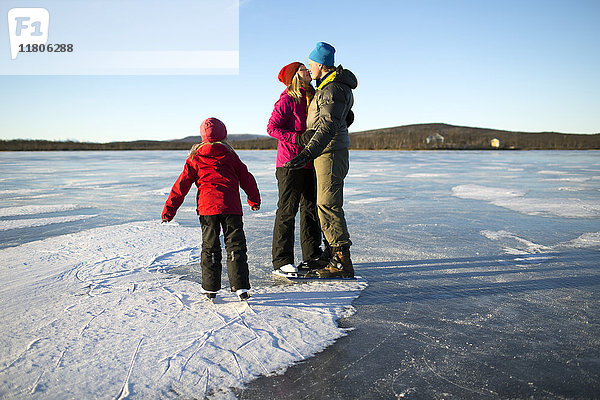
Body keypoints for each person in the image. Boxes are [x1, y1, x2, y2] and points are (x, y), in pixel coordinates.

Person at [161, 117, 261, 300]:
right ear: (224, 135)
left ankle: (210, 287)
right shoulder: (230, 155)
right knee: (236, 247)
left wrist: (169, 210)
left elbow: (181, 185)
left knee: (210, 248)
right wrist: (253, 200)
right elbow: (247, 178)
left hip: (208, 210)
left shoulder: (195, 157)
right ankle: (240, 287)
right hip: (231, 208)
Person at [283, 42, 358, 278]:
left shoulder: (332, 89)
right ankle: (331, 252)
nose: (310, 69)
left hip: (330, 152)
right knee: (323, 204)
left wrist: (307, 152)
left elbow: (326, 127)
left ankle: (341, 260)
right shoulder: (327, 87)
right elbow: (332, 118)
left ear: (321, 65)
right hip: (327, 152)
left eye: (312, 64)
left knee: (328, 204)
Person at [267, 62, 323, 275]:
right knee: (287, 211)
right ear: (294, 77)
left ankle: (312, 256)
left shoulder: (313, 97)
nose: (308, 71)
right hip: (289, 164)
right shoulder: (288, 100)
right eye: (303, 69)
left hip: (309, 162)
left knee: (310, 210)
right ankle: (282, 261)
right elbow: (272, 128)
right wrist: (297, 138)